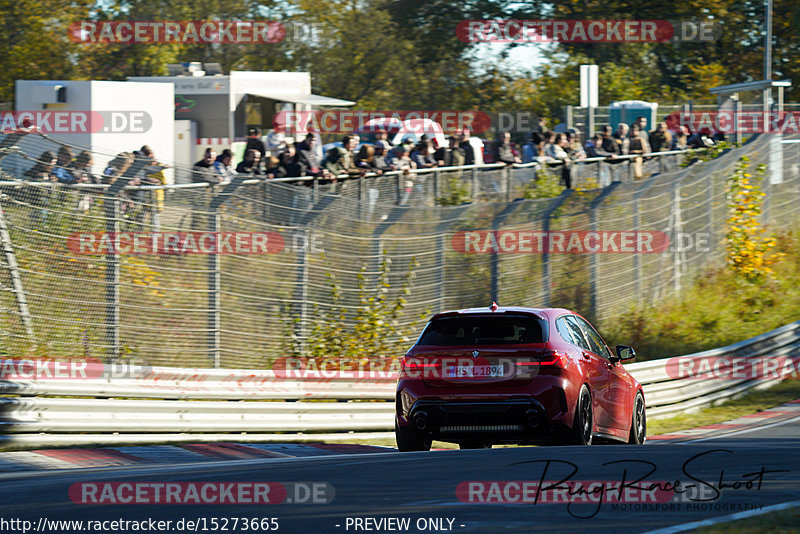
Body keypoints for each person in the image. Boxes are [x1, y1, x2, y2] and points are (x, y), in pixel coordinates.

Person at [23, 151, 56, 223]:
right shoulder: (36, 169)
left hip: (47, 198)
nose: (53, 165)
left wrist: (54, 178)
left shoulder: (50, 171)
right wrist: (39, 176)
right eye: (51, 163)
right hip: (37, 199)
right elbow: (27, 175)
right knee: (37, 218)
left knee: (47, 218)